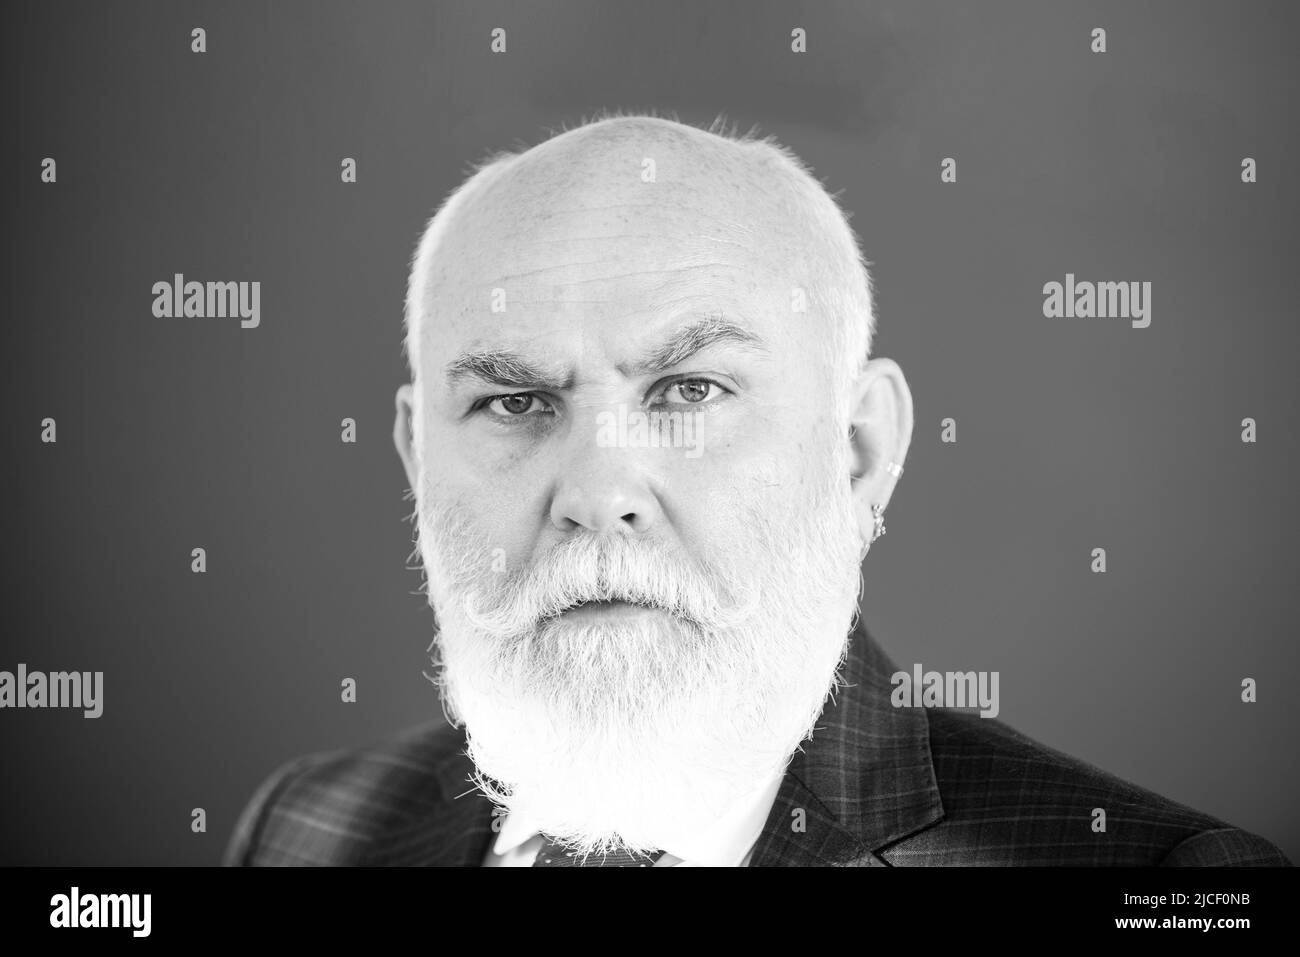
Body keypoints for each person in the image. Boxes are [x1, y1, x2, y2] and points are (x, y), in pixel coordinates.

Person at [224, 114, 1290, 867]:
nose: (596, 494)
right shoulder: (305, 830)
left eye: (688, 389)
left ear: (861, 450)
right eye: (512, 402)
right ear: (416, 459)